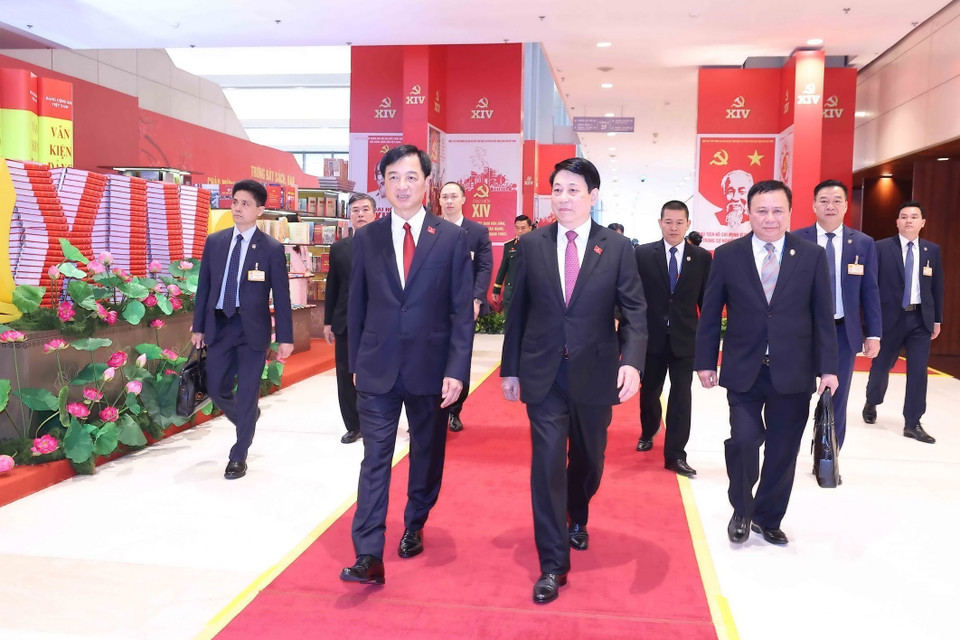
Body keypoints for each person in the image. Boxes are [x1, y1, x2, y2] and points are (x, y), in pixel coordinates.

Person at [501, 157, 647, 604]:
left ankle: (576, 512)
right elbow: (518, 310)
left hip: (595, 373)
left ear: (592, 196)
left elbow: (635, 310)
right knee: (546, 465)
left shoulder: (616, 247)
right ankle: (553, 563)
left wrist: (632, 362)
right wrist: (510, 369)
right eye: (557, 190)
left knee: (589, 460)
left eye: (573, 190)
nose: (563, 198)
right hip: (543, 374)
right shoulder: (531, 245)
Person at [340, 145, 474, 586]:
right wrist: (356, 361)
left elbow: (461, 311)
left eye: (411, 177)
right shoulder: (367, 238)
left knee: (427, 453)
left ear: (427, 183)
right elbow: (357, 304)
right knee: (374, 458)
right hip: (377, 366)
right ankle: (368, 552)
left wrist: (457, 370)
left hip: (431, 368)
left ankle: (415, 522)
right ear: (382, 184)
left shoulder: (450, 238)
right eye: (393, 177)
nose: (402, 185)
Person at [695, 180, 838, 547]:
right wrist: (706, 361)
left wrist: (829, 368)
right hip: (745, 368)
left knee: (783, 449)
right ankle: (742, 509)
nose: (770, 218)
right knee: (743, 441)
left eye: (777, 210)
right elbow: (710, 313)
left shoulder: (811, 256)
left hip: (794, 371)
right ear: (749, 213)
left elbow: (823, 316)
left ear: (790, 213)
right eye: (761, 211)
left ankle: (768, 517)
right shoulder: (727, 255)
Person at [191, 180, 294, 480]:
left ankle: (238, 455)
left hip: (252, 331)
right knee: (216, 388)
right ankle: (247, 418)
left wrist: (285, 337)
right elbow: (204, 287)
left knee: (248, 393)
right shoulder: (215, 242)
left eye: (245, 203)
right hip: (220, 325)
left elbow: (282, 296)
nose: (237, 208)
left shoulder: (271, 249)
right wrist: (199, 327)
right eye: (235, 202)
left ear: (260, 210)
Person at [794, 180, 881, 450]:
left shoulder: (863, 243)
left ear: (845, 206)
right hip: (803, 331)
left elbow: (870, 290)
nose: (830, 206)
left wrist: (874, 333)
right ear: (814, 205)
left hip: (843, 331)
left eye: (836, 201)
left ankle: (828, 456)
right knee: (795, 395)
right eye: (823, 200)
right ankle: (788, 453)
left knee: (837, 396)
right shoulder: (796, 240)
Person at [634, 201, 712, 477]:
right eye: (668, 221)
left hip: (685, 339)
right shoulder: (643, 254)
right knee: (649, 392)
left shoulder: (701, 258)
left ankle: (676, 454)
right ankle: (649, 430)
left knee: (681, 398)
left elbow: (707, 302)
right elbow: (633, 296)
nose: (674, 227)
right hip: (651, 337)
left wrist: (708, 342)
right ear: (660, 223)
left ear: (688, 224)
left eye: (680, 222)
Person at [863, 201, 944, 444]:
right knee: (881, 366)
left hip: (919, 319)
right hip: (889, 318)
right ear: (897, 222)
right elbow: (871, 285)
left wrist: (937, 319)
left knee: (918, 371)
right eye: (904, 216)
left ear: (923, 223)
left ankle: (912, 422)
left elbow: (937, 287)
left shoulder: (931, 250)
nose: (909, 220)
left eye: (914, 216)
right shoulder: (880, 248)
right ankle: (872, 400)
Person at [437, 181, 494, 432]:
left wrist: (476, 299)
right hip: (432, 307)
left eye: (453, 196)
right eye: (444, 197)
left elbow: (484, 267)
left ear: (463, 199)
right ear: (439, 201)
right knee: (429, 359)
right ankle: (430, 410)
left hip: (464, 307)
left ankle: (454, 411)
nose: (449, 201)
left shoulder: (477, 232)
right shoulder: (429, 228)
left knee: (460, 358)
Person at [323, 193, 375, 444]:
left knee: (378, 373)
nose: (360, 214)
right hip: (345, 320)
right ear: (349, 215)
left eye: (365, 209)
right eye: (355, 210)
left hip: (378, 320)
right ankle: (354, 425)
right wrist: (327, 321)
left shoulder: (388, 244)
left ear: (374, 214)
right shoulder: (339, 248)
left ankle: (376, 421)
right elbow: (332, 286)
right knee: (345, 375)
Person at [492, 215, 533, 312]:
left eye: (523, 228)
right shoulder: (509, 246)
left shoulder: (537, 245)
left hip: (530, 290)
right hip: (511, 290)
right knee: (510, 318)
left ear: (530, 228)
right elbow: (503, 268)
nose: (520, 231)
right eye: (517, 228)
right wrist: (496, 289)